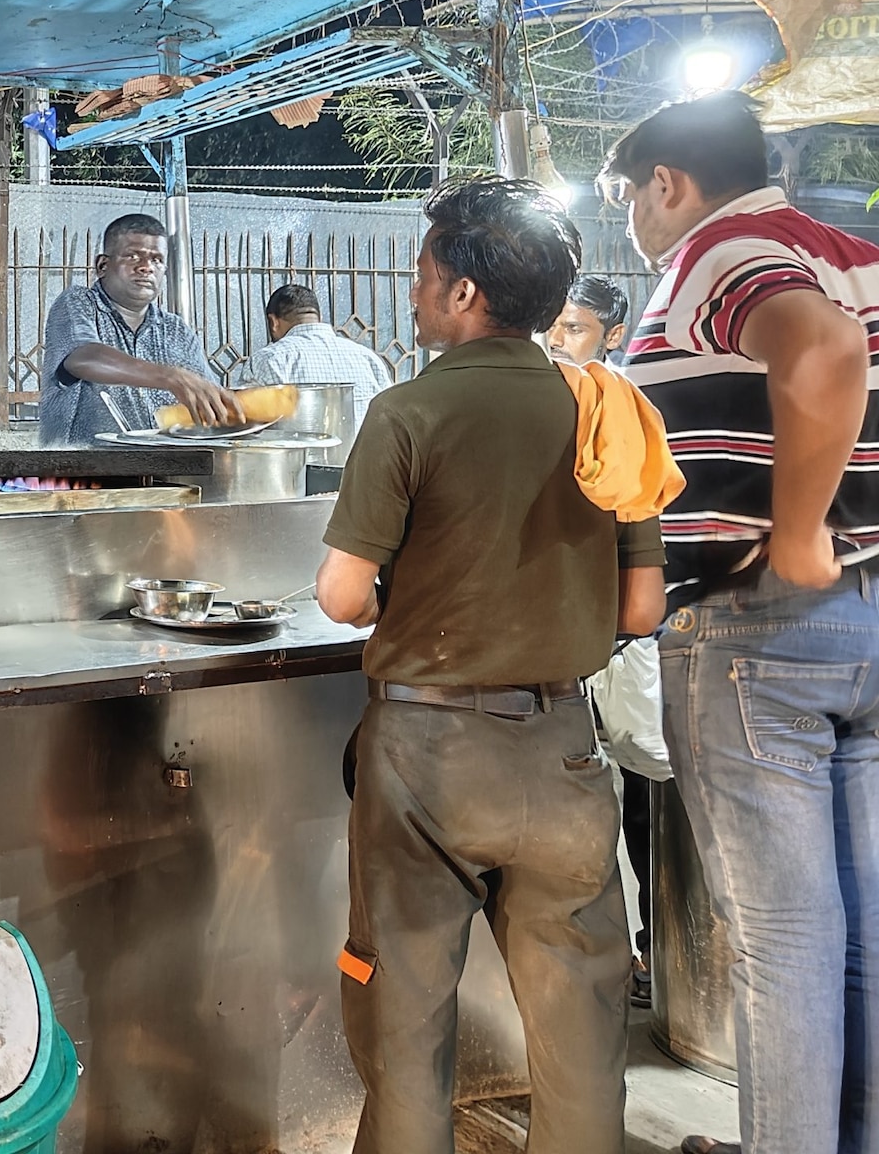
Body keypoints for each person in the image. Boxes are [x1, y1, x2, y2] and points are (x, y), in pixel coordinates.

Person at [316, 175, 668, 1154]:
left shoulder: (405, 413)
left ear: (464, 293)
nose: (414, 294)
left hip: (425, 757)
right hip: (562, 752)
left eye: (424, 276)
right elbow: (641, 606)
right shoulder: (610, 409)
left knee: (404, 1014)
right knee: (581, 1022)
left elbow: (341, 597)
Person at [606, 91, 879, 1154]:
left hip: (754, 631)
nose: (630, 217)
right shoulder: (851, 255)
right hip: (861, 626)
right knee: (853, 932)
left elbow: (817, 355)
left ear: (663, 183)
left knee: (783, 943)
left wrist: (803, 526)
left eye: (626, 194)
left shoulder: (723, 251)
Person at [548, 273, 661, 1007]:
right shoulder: (556, 403)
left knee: (641, 801)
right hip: (583, 643)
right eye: (554, 324)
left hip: (610, 647)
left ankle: (644, 957)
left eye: (576, 328)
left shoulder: (619, 409)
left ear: (611, 337)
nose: (559, 339)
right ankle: (621, 962)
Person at [38, 212, 238, 446]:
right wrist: (170, 376)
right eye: (133, 256)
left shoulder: (175, 331)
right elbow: (84, 358)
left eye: (156, 260)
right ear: (103, 265)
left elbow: (206, 397)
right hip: (81, 470)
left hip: (159, 469)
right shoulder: (78, 303)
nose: (146, 268)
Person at [247, 283, 392, 422]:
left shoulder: (268, 360)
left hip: (298, 448)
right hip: (365, 448)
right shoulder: (368, 358)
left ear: (273, 322)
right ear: (317, 317)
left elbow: (245, 420)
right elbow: (391, 415)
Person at [548, 274, 632, 366]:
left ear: (613, 337)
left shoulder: (625, 380)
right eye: (548, 326)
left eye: (574, 329)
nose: (553, 340)